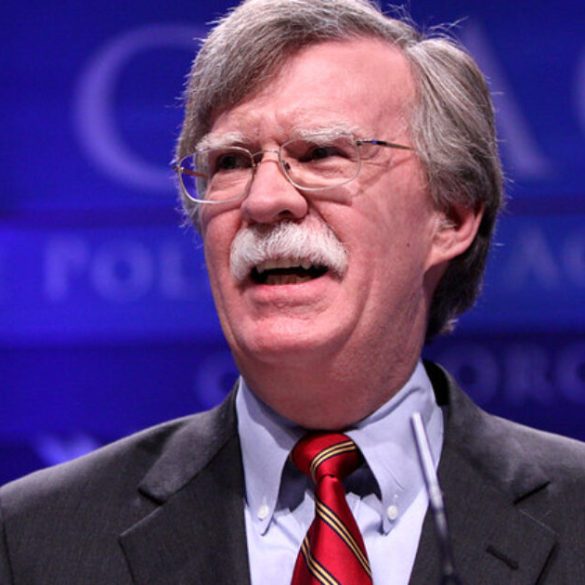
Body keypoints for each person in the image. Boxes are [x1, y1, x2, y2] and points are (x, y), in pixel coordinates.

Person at [1, 0, 584, 583]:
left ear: (450, 217)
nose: (263, 200)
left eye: (321, 154)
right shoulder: (34, 539)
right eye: (231, 162)